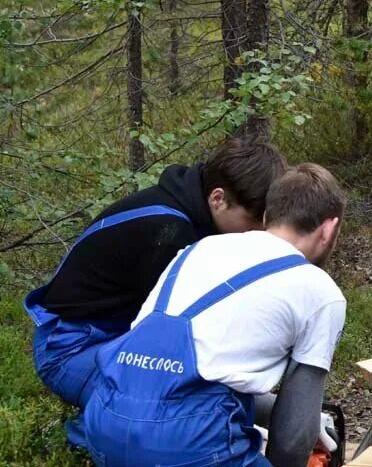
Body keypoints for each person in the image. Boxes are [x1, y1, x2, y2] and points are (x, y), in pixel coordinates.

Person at [81, 162, 348, 467]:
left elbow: (191, 378)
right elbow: (290, 442)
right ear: (328, 229)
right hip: (191, 443)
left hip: (105, 421)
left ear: (266, 216)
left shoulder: (196, 250)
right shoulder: (319, 291)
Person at [26, 137, 286, 443]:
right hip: (71, 346)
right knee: (169, 402)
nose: (257, 233)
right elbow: (174, 341)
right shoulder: (169, 231)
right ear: (218, 199)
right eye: (253, 222)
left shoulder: (192, 211)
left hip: (111, 335)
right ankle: (88, 440)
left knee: (198, 392)